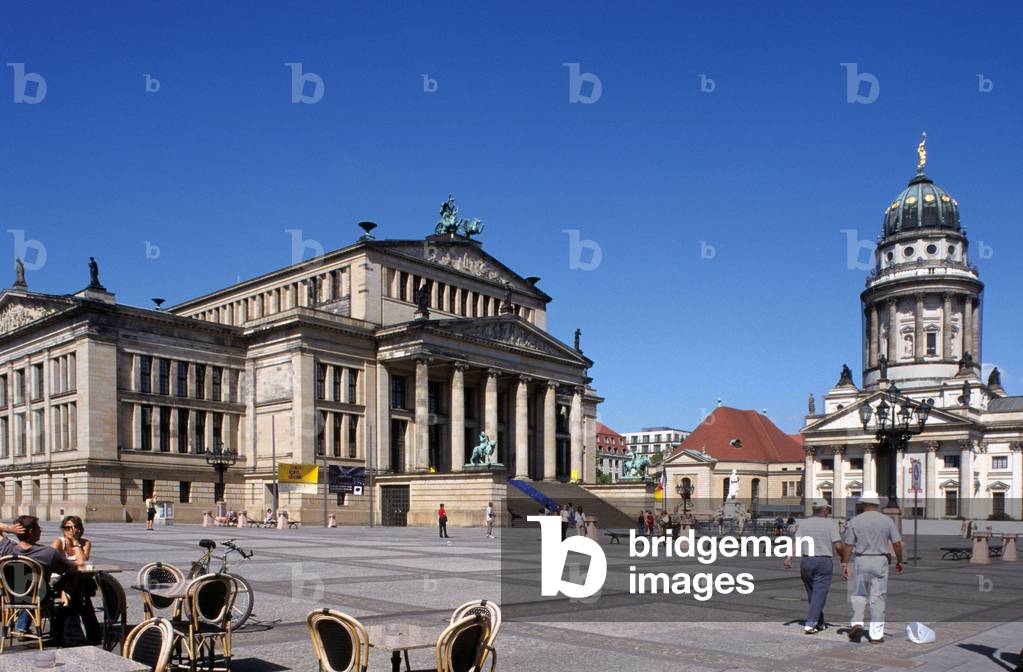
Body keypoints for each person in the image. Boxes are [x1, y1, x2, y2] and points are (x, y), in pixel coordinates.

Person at [1, 515, 86, 636]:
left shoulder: (6, 548)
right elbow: (79, 564)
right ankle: (68, 617)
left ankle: (22, 626)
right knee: (71, 577)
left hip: (10, 596)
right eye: (38, 527)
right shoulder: (47, 553)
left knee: (26, 587)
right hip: (40, 596)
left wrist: (9, 529)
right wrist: (76, 542)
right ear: (31, 532)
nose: (41, 530)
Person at [841, 490, 904, 644]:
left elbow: (848, 545)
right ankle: (876, 635)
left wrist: (844, 562)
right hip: (880, 560)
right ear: (877, 504)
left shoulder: (855, 521)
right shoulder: (887, 520)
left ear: (862, 504)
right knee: (878, 597)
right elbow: (897, 543)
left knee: (859, 593)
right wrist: (899, 560)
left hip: (861, 560)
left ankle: (857, 622)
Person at [783, 499, 843, 634]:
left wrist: (789, 558)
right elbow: (838, 545)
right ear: (825, 510)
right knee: (819, 593)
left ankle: (819, 622)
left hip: (807, 562)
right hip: (823, 561)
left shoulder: (804, 524)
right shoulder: (830, 524)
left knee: (813, 594)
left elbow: (796, 542)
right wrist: (843, 556)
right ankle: (811, 623)